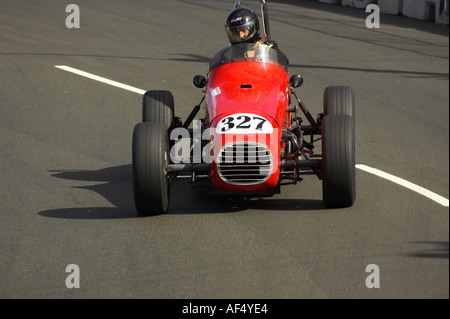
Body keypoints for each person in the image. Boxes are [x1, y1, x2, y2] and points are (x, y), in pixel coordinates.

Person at [224, 8, 289, 65]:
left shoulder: (265, 49)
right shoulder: (228, 54)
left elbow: (284, 65)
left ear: (252, 29)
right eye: (236, 32)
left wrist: (276, 53)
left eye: (244, 31)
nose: (241, 35)